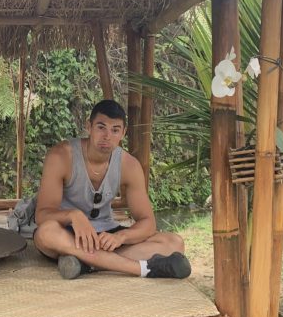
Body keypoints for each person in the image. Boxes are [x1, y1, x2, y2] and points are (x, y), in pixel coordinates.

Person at [33, 99, 191, 280]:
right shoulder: (61, 156)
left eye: (115, 130)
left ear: (123, 133)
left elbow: (148, 222)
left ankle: (85, 263)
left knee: (174, 243)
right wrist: (74, 216)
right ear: (89, 126)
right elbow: (42, 215)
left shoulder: (129, 165)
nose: (107, 136)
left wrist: (121, 237)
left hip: (106, 236)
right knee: (45, 233)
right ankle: (143, 268)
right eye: (101, 127)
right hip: (68, 233)